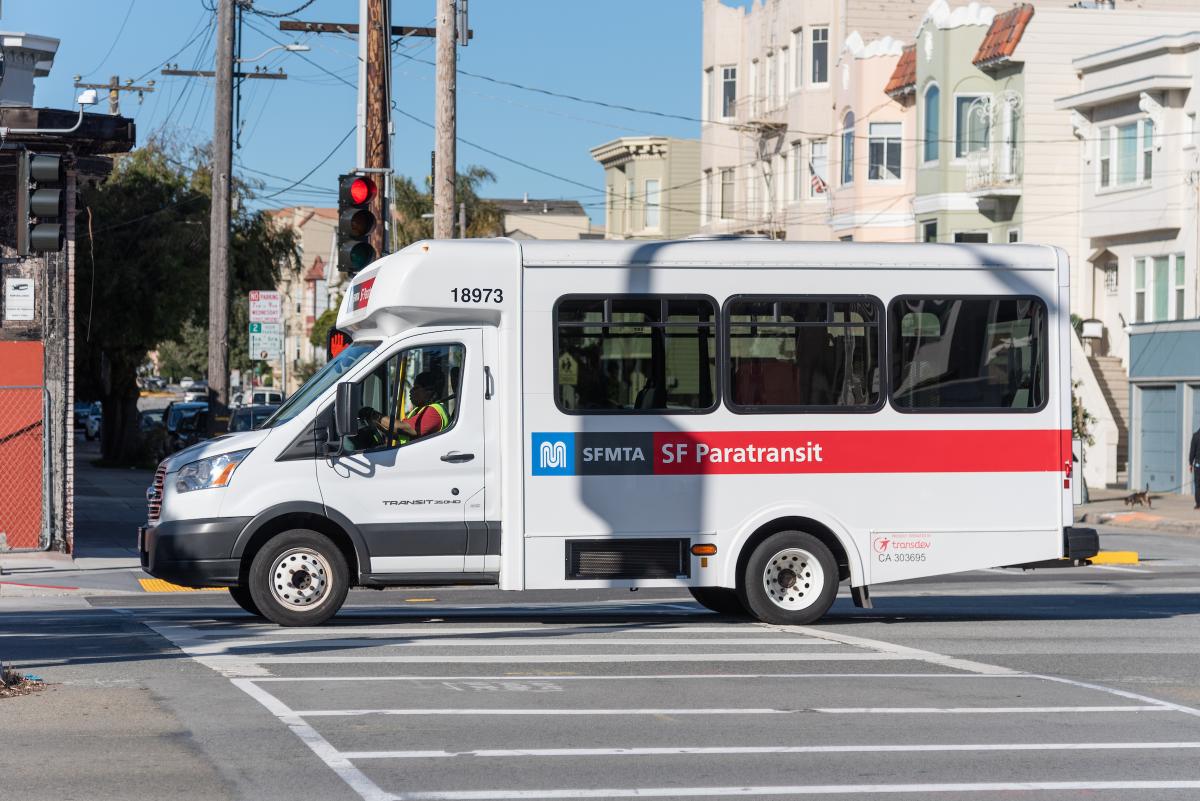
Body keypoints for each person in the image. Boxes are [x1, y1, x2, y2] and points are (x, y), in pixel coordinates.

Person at [361, 371, 449, 448]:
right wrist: (376, 423)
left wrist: (373, 414)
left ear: (429, 390)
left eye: (416, 387)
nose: (411, 391)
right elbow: (398, 434)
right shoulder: (418, 411)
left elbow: (400, 428)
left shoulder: (434, 411)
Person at [1189, 425, 1200, 509]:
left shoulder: (1195, 436)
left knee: (1197, 485)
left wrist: (1190, 463)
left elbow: (1192, 451)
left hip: (1198, 465)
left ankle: (1198, 504)